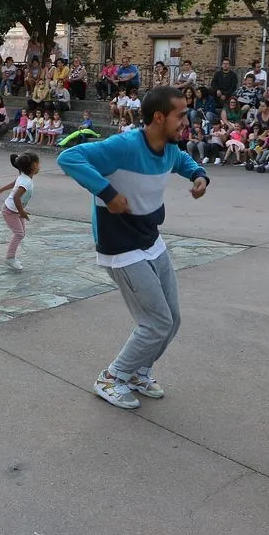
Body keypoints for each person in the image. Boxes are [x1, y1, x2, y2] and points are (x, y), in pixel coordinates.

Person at [57, 86, 209, 409]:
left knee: (172, 319)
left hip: (151, 241)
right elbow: (69, 157)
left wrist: (198, 175)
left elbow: (181, 160)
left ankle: (139, 372)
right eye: (181, 115)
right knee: (156, 322)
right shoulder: (124, 146)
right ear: (159, 117)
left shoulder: (169, 147)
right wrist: (108, 193)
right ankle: (112, 377)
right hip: (121, 248)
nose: (186, 121)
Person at [0, 153, 40, 271]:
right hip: (10, 211)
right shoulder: (26, 181)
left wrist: (0, 190)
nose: (39, 166)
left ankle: (11, 257)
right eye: (38, 164)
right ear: (33, 166)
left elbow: (15, 183)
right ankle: (10, 258)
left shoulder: (23, 177)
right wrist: (22, 212)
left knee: (21, 233)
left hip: (15, 210)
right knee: (19, 234)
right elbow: (16, 197)